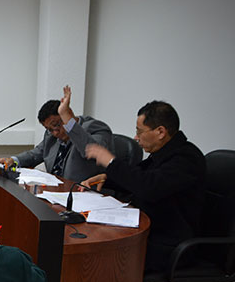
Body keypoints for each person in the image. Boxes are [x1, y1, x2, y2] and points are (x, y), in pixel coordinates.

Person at [83, 101, 205, 272]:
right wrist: (106, 178)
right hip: (149, 230)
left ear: (160, 132)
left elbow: (149, 187)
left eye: (140, 131)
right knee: (95, 236)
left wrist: (110, 161)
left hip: (170, 243)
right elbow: (139, 177)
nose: (136, 137)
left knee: (103, 256)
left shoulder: (186, 158)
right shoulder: (162, 153)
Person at [0, 86, 112, 183]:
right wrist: (14, 160)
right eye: (49, 129)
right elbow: (35, 154)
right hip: (54, 191)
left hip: (81, 192)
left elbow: (92, 151)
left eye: (57, 125)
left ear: (68, 114)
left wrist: (70, 123)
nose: (55, 133)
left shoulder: (95, 127)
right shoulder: (51, 135)